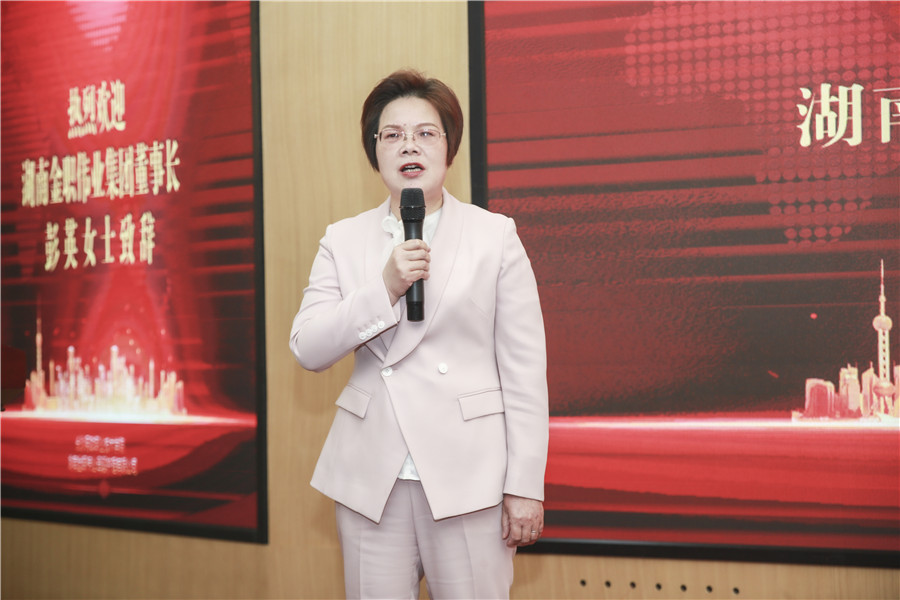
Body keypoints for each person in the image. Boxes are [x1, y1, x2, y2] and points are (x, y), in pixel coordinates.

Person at [290, 69, 549, 599]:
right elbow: (309, 348)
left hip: (469, 477)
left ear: (449, 147)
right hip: (371, 480)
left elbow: (525, 373)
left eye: (426, 133)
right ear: (375, 150)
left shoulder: (494, 235)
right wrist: (384, 287)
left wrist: (524, 485)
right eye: (392, 134)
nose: (409, 145)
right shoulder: (342, 240)